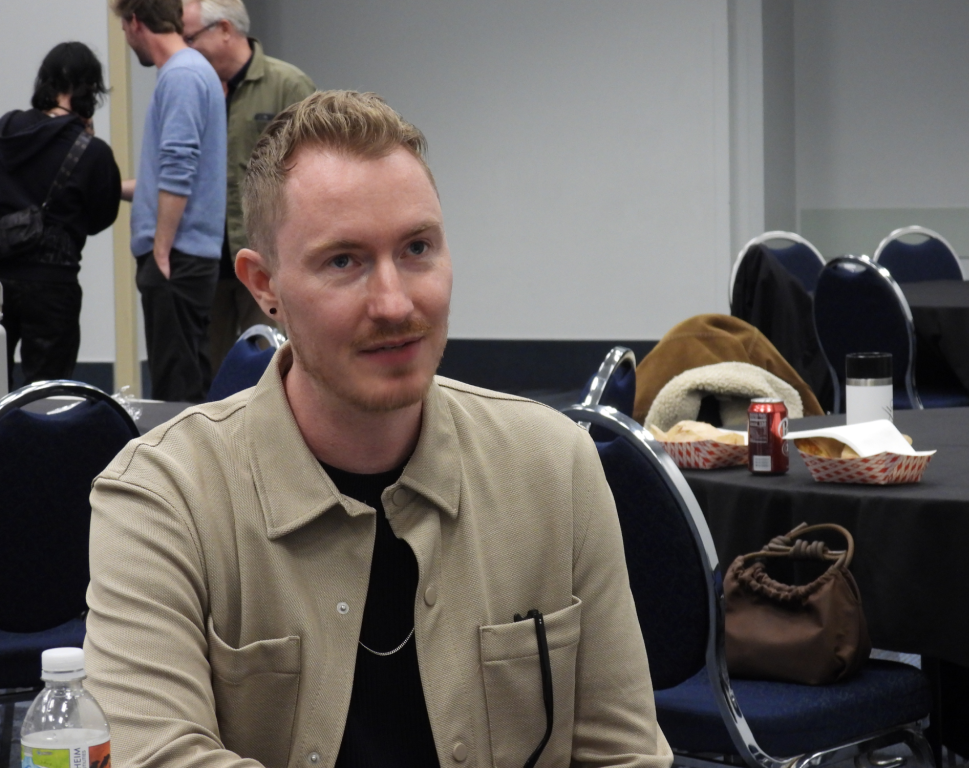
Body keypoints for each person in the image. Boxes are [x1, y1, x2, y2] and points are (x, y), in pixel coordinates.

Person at [84, 91, 672, 768]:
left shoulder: (555, 468)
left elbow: (623, 755)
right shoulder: (163, 496)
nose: (396, 304)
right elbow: (154, 755)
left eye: (417, 248)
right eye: (344, 261)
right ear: (263, 285)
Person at [181, 0, 315, 375]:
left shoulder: (286, 84)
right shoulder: (196, 90)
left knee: (273, 364)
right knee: (208, 369)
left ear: (224, 29)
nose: (184, 49)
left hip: (265, 255)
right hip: (207, 259)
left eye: (190, 37)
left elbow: (312, 171)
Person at [114, 0, 227, 402]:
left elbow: (179, 165)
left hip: (175, 257)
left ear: (135, 22)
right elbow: (167, 177)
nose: (126, 39)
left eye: (124, 29)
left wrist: (161, 247)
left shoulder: (180, 76)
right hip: (186, 254)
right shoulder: (193, 72)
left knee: (175, 394)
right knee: (188, 384)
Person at [0, 42, 121, 390]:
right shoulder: (91, 150)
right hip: (54, 284)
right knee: (46, 394)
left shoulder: (6, 129)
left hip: (0, 278)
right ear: (91, 90)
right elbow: (101, 217)